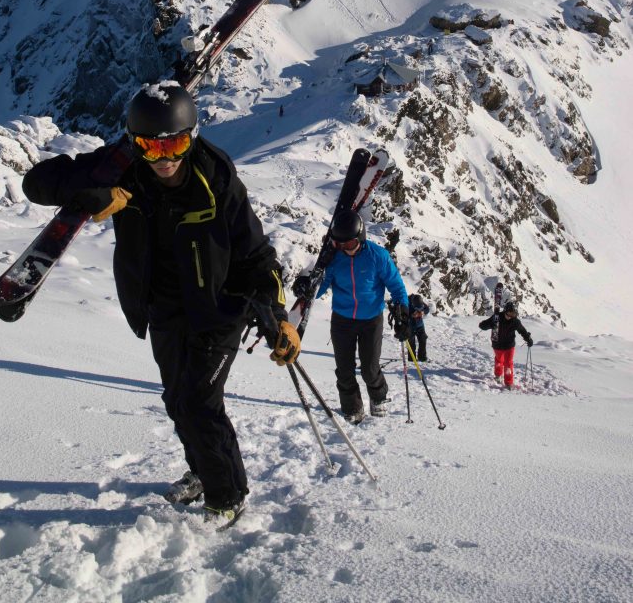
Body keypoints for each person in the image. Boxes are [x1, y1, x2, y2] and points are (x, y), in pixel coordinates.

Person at [22, 81, 300, 524]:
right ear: (135, 144)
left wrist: (277, 313)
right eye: (152, 147)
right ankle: (202, 470)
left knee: (197, 401)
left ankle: (227, 494)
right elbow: (35, 183)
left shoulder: (217, 177)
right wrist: (90, 195)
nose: (166, 157)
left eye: (176, 143)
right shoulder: (122, 168)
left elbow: (255, 253)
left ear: (192, 136)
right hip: (163, 308)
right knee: (176, 399)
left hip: (220, 309)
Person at [312, 210, 409, 423]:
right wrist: (308, 283)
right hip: (342, 320)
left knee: (370, 368)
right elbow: (320, 289)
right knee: (344, 369)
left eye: (350, 244)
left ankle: (379, 397)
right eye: (340, 244)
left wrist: (403, 313)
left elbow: (396, 287)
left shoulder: (378, 256)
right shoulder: (335, 259)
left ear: (361, 237)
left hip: (370, 320)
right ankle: (352, 407)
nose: (345, 249)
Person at [479, 300, 532, 389]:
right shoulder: (497, 317)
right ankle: (498, 375)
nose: (510, 316)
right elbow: (482, 326)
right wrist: (491, 325)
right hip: (497, 344)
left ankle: (508, 383)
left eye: (513, 314)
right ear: (505, 312)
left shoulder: (515, 321)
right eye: (509, 313)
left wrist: (528, 339)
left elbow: (522, 330)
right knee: (499, 360)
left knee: (508, 363)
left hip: (509, 345)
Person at [407, 293, 430, 362]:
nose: (418, 309)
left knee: (423, 338)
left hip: (420, 324)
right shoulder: (407, 303)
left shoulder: (419, 300)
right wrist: (411, 316)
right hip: (410, 325)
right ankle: (412, 359)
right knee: (411, 342)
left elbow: (427, 309)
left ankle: (422, 357)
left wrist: (422, 312)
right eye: (417, 308)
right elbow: (403, 315)